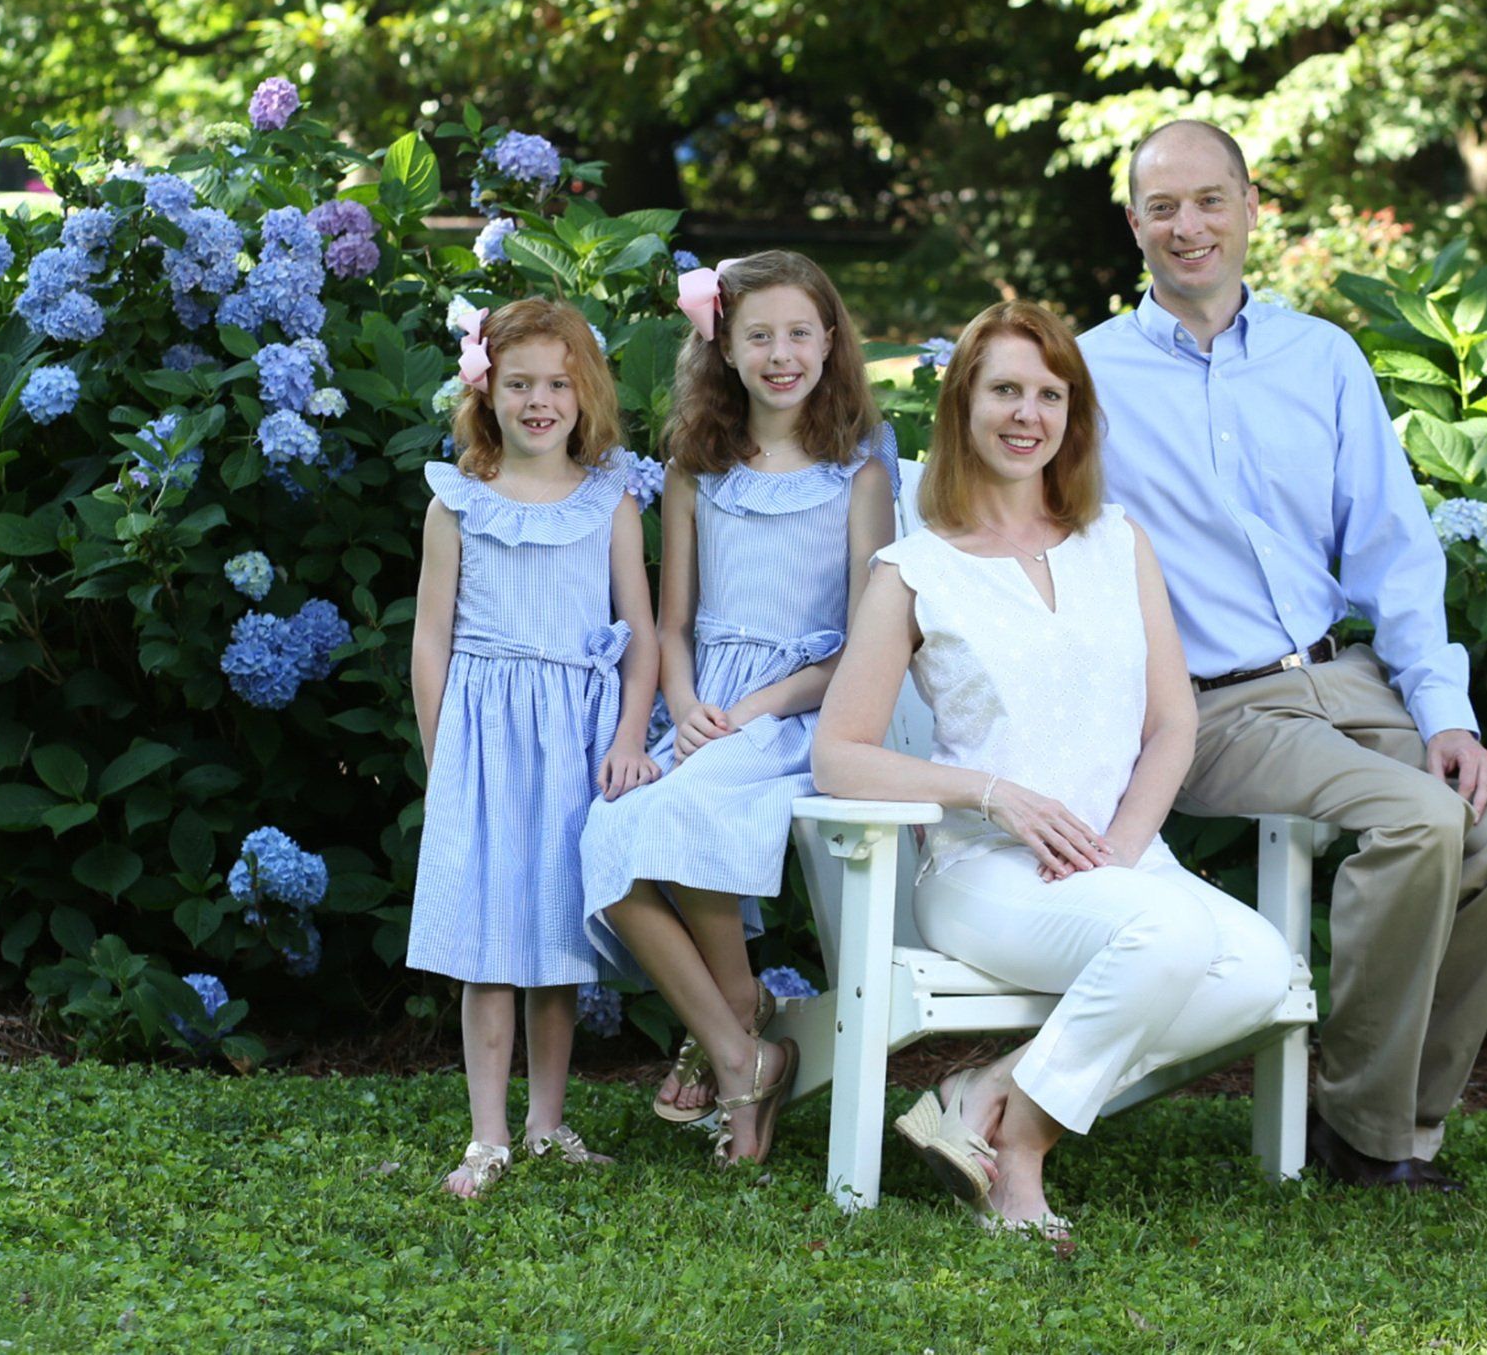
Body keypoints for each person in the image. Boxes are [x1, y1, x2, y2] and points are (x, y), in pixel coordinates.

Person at [1077, 120, 1487, 1191]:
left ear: (1253, 209)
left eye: (1209, 200)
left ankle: (1379, 1114)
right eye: (1163, 207)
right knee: (1417, 819)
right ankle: (1372, 1132)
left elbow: (1396, 551)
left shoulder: (1322, 358)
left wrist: (1446, 717)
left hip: (1345, 677)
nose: (1187, 226)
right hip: (1210, 709)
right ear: (1135, 226)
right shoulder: (1088, 376)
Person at [813, 301, 1294, 1238]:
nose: (1027, 413)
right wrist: (991, 792)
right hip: (987, 874)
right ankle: (1021, 1156)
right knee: (1166, 939)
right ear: (963, 406)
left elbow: (1171, 723)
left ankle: (988, 1087)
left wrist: (1120, 848)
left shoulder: (1119, 542)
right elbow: (839, 751)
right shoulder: (914, 570)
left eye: (1049, 393)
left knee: (1261, 970)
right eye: (1004, 390)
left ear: (1072, 415)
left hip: (1119, 863)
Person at [581, 250, 897, 1167]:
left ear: (831, 342)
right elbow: (671, 624)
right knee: (607, 837)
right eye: (758, 335)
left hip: (804, 714)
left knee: (681, 811)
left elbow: (858, 643)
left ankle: (737, 1050)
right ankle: (739, 1042)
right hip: (708, 710)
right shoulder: (696, 470)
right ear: (723, 347)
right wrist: (682, 701)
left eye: (800, 332)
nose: (781, 353)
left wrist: (755, 705)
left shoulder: (856, 478)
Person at [408, 296, 663, 1198]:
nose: (539, 401)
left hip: (577, 743)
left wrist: (631, 737)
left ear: (584, 392)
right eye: (519, 383)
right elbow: (430, 642)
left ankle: (550, 1122)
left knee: (560, 937)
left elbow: (642, 632)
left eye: (558, 383)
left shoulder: (609, 504)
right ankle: (488, 1136)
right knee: (489, 943)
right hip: (483, 741)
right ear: (486, 392)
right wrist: (444, 760)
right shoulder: (459, 505)